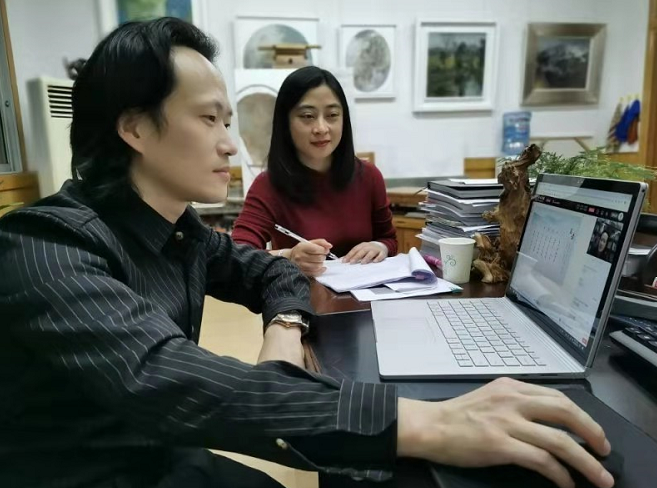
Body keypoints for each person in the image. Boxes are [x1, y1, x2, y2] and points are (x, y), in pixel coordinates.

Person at [0, 18, 615, 488]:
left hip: (157, 456)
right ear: (135, 128)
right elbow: (172, 380)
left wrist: (285, 331)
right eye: (210, 119)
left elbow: (272, 271)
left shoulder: (179, 230)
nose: (230, 145)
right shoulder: (45, 247)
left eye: (227, 122)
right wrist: (430, 421)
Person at [231, 66, 397, 277]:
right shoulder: (268, 185)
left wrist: (379, 247)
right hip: (301, 293)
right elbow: (238, 254)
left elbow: (389, 239)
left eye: (332, 115)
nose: (321, 128)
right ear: (286, 122)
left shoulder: (369, 176)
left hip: (365, 292)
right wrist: (288, 256)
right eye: (308, 116)